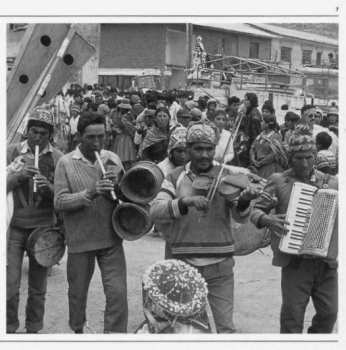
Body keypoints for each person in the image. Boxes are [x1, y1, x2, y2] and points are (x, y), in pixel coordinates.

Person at [150, 122, 259, 333]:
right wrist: (184, 202)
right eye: (198, 149)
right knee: (182, 328)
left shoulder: (227, 175)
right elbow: (155, 211)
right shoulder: (174, 177)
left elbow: (240, 215)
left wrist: (245, 200)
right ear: (188, 149)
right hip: (182, 264)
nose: (205, 155)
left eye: (209, 149)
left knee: (226, 327)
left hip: (220, 264)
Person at [250, 125, 338, 333]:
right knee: (293, 315)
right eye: (299, 158)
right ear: (290, 159)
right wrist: (268, 219)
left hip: (326, 262)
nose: (305, 163)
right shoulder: (278, 181)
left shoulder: (332, 183)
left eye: (309, 157)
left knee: (330, 312)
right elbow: (256, 211)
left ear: (315, 156)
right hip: (295, 262)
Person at [54, 112, 128, 333]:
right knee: (77, 294)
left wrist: (118, 188)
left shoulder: (112, 159)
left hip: (111, 238)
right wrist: (92, 192)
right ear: (79, 137)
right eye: (91, 137)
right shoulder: (66, 163)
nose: (97, 143)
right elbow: (59, 201)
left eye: (101, 136)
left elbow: (128, 198)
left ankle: (114, 339)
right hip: (80, 239)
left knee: (118, 294)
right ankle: (78, 333)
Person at [7, 107, 63, 333]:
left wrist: (48, 188)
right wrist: (19, 176)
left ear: (50, 135)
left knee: (38, 287)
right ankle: (9, 328)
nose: (37, 138)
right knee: (9, 284)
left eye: (43, 133)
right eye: (33, 132)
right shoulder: (11, 152)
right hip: (14, 228)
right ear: (27, 131)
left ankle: (33, 329)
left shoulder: (58, 158)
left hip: (43, 228)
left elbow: (62, 197)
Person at [249, 102, 288, 179]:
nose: (260, 123)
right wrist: (253, 159)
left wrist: (261, 162)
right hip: (257, 166)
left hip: (269, 168)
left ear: (267, 124)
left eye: (262, 121)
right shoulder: (260, 135)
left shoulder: (276, 136)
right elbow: (252, 148)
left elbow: (274, 154)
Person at [111, 99, 137, 170]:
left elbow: (130, 128)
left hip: (123, 138)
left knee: (123, 159)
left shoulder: (124, 116)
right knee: (124, 159)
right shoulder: (126, 116)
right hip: (124, 138)